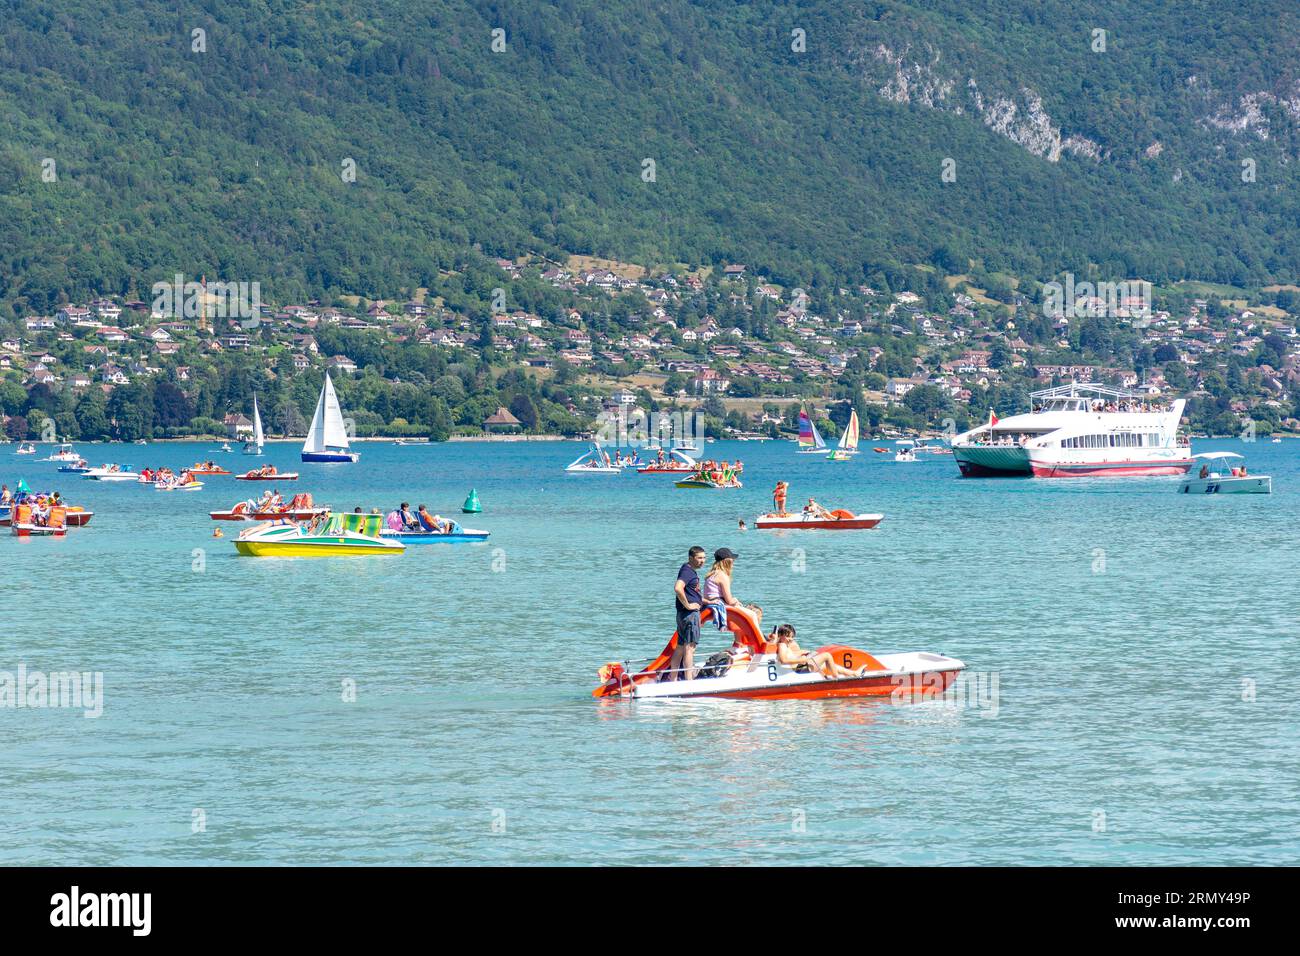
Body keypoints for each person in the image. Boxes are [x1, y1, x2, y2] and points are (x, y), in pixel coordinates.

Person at [665, 546, 706, 682]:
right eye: (699, 558)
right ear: (690, 558)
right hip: (690, 615)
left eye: (704, 558)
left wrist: (707, 601)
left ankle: (673, 679)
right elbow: (678, 588)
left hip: (682, 615)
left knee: (680, 648)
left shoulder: (687, 570)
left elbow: (692, 593)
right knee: (690, 648)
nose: (702, 561)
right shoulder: (688, 571)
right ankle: (689, 681)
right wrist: (688, 605)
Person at [774, 624, 866, 679]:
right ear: (780, 635)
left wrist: (803, 654)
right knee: (827, 655)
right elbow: (783, 660)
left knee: (826, 664)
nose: (790, 639)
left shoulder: (783, 644)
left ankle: (854, 673)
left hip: (801, 666)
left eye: (792, 637)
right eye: (788, 636)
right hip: (800, 668)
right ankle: (836, 679)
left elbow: (790, 656)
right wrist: (802, 660)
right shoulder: (782, 645)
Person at [702, 548, 744, 630]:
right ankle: (750, 640)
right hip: (719, 602)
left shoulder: (712, 574)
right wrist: (736, 600)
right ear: (727, 562)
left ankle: (740, 640)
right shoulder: (723, 576)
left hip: (709, 603)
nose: (733, 564)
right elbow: (729, 601)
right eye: (732, 561)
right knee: (752, 614)